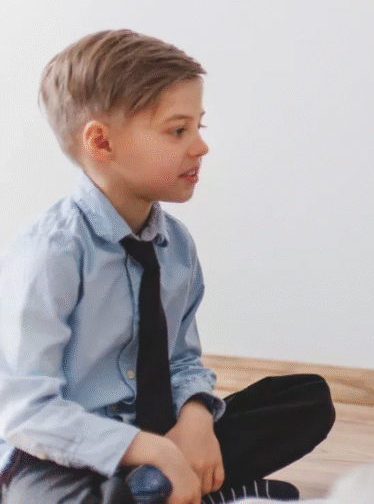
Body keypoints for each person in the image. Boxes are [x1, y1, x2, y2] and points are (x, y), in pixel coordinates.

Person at [0, 30, 336, 504]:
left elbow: (181, 359)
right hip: (60, 452)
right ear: (101, 142)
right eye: (178, 131)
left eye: (199, 126)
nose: (200, 147)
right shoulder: (51, 252)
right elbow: (25, 411)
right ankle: (175, 488)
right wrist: (149, 449)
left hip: (159, 430)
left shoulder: (175, 245)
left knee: (306, 399)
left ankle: (162, 488)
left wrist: (196, 419)